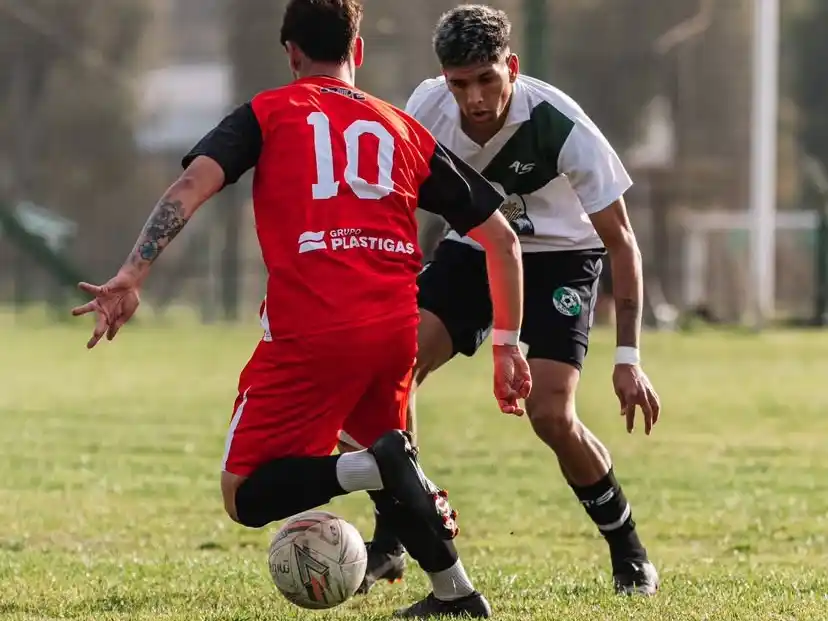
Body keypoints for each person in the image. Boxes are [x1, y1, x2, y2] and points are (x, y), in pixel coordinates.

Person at [71, 1, 531, 618]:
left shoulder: (267, 113)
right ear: (357, 50)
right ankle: (457, 593)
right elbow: (501, 237)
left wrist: (132, 273)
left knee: (245, 495)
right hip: (395, 327)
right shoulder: (402, 128)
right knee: (383, 451)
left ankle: (374, 467)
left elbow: (190, 186)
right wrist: (506, 344)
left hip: (315, 329)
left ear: (291, 53)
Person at [349, 4, 661, 597]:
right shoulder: (426, 109)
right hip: (475, 248)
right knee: (393, 370)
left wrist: (628, 358)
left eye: (486, 79)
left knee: (550, 413)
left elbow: (622, 242)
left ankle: (628, 551)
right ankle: (393, 541)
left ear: (510, 67)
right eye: (459, 83)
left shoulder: (560, 126)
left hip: (562, 256)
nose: (474, 98)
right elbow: (396, 204)